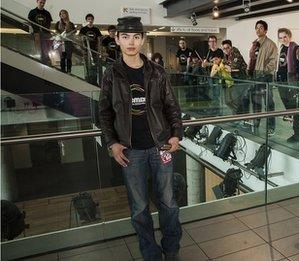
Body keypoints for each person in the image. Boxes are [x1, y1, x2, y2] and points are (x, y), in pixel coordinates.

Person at [99, 16, 183, 261]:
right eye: (125, 36)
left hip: (161, 146)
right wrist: (112, 143)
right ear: (117, 39)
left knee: (168, 202)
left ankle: (172, 249)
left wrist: (176, 134)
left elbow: (171, 107)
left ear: (143, 39)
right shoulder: (111, 74)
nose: (131, 42)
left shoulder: (156, 72)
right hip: (131, 151)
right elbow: (104, 112)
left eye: (136, 36)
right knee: (139, 209)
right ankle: (150, 254)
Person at [246, 20, 278, 136]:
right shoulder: (255, 44)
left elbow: (273, 62)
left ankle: (271, 127)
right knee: (256, 102)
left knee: (269, 103)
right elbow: (252, 59)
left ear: (265, 30)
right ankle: (256, 123)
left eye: (261, 28)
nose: (258, 30)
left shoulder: (271, 44)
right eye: (257, 28)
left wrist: (263, 72)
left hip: (265, 78)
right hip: (254, 77)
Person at [276, 28, 299, 143]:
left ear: (289, 36)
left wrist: (296, 85)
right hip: (281, 82)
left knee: (294, 109)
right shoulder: (282, 48)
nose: (283, 39)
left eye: (285, 37)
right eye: (280, 37)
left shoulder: (296, 48)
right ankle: (297, 132)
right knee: (290, 109)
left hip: (292, 83)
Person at [222, 39, 248, 114]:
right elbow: (224, 66)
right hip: (231, 80)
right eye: (224, 48)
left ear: (231, 47)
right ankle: (238, 116)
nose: (226, 50)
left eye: (228, 48)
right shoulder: (225, 55)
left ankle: (240, 118)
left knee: (237, 101)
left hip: (240, 80)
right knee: (228, 101)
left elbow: (232, 67)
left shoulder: (235, 53)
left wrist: (225, 67)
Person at [79, 13, 103, 85]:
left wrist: (99, 50)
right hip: (86, 51)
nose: (90, 20)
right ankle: (88, 80)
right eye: (88, 19)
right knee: (87, 66)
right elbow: (79, 39)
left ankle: (94, 81)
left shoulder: (96, 29)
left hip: (94, 51)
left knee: (94, 66)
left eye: (91, 19)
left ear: (93, 20)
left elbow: (99, 40)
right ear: (86, 20)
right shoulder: (83, 29)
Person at [28, 0, 52, 64]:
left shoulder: (47, 13)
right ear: (37, 2)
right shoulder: (32, 12)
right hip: (36, 33)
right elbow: (30, 23)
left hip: (45, 33)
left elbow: (49, 24)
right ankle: (41, 58)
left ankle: (45, 58)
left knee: (45, 44)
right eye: (40, 2)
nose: (42, 4)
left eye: (43, 3)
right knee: (38, 43)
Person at [202, 35, 224, 103]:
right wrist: (203, 64)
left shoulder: (220, 51)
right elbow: (203, 65)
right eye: (211, 41)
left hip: (217, 74)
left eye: (214, 41)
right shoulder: (207, 52)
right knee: (211, 90)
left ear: (216, 42)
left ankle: (217, 105)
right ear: (209, 43)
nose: (212, 43)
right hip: (208, 74)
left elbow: (218, 63)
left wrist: (208, 63)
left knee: (217, 90)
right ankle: (213, 104)